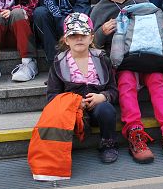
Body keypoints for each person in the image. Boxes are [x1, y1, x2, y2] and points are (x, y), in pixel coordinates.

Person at [90, 0, 163, 163]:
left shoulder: (141, 2)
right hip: (121, 62)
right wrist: (102, 32)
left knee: (158, 83)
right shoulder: (100, 9)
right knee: (126, 82)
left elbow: (158, 29)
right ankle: (135, 131)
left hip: (149, 57)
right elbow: (91, 43)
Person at [45, 13, 119, 164]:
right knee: (60, 114)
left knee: (107, 109)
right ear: (66, 40)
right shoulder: (59, 63)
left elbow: (114, 90)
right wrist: (74, 103)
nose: (79, 39)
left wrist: (103, 97)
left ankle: (108, 143)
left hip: (97, 108)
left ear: (91, 38)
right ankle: (62, 148)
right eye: (73, 35)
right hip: (73, 111)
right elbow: (52, 96)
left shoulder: (102, 59)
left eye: (83, 35)